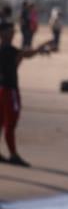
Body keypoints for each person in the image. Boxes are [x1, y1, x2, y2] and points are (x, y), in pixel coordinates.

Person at [1, 20, 54, 166]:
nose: (13, 33)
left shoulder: (6, 50)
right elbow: (26, 54)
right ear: (3, 34)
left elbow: (18, 60)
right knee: (10, 123)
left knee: (1, 122)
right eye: (10, 31)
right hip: (9, 90)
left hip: (1, 89)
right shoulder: (8, 49)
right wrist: (39, 48)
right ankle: (13, 155)